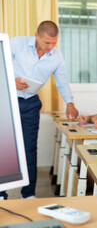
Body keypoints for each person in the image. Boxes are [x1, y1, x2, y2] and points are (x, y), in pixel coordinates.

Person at [0, 20, 79, 200]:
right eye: (47, 43)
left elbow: (62, 82)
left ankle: (28, 193)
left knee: (29, 149)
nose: (51, 47)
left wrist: (70, 102)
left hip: (30, 104)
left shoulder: (57, 57)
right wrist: (11, 81)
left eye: (54, 43)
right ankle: (0, 193)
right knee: (4, 148)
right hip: (7, 100)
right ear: (37, 36)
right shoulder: (16, 44)